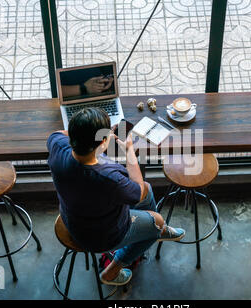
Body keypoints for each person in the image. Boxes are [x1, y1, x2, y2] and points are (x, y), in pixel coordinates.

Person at [47, 108, 185, 286]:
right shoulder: (109, 178)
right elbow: (138, 192)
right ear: (103, 142)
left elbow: (57, 134)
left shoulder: (58, 146)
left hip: (73, 217)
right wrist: (128, 150)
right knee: (155, 220)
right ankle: (113, 271)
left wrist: (93, 137)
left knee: (149, 190)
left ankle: (152, 228)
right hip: (100, 236)